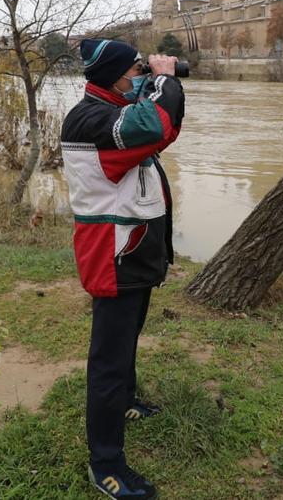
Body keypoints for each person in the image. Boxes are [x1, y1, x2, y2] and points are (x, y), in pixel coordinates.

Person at [60, 38, 184, 500]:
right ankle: (106, 464)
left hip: (133, 254)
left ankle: (127, 402)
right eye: (135, 71)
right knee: (108, 363)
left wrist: (156, 83)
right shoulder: (91, 119)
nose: (141, 77)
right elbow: (157, 125)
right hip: (114, 258)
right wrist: (165, 79)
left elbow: (162, 130)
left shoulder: (111, 111)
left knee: (128, 338)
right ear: (112, 76)